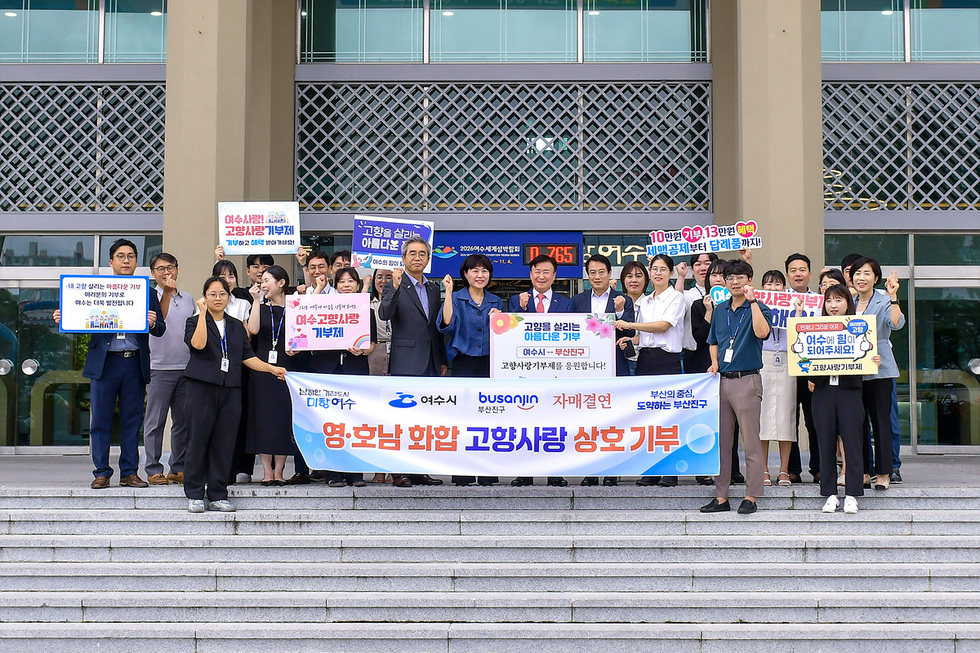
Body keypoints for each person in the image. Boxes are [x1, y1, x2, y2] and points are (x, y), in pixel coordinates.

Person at [53, 238, 165, 489]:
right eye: (121, 256)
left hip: (133, 363)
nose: (126, 261)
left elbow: (160, 330)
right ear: (111, 261)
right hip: (105, 364)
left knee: (132, 420)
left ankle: (129, 472)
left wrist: (153, 322)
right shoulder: (97, 289)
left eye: (131, 256)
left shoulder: (147, 292)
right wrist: (64, 317)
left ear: (137, 262)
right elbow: (82, 322)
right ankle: (101, 472)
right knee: (100, 420)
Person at [182, 277, 287, 513]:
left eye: (222, 294)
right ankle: (195, 494)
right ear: (204, 297)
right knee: (198, 440)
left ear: (228, 297)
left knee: (224, 442)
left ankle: (218, 493)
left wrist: (271, 368)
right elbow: (197, 345)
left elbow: (247, 357)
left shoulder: (236, 325)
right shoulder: (194, 321)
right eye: (212, 294)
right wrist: (201, 313)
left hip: (230, 390)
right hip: (201, 388)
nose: (217, 298)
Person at [700, 259, 772, 515]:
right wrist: (713, 363)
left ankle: (751, 495)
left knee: (751, 441)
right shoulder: (720, 310)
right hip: (723, 381)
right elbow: (713, 340)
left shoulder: (760, 307)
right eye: (730, 278)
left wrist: (752, 303)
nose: (734, 282)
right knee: (723, 442)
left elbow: (762, 333)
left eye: (740, 277)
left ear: (749, 280)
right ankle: (721, 497)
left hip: (747, 380)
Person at [378, 236, 447, 488]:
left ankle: (421, 470)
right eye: (412, 253)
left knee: (425, 421)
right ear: (404, 258)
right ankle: (399, 471)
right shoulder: (393, 283)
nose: (417, 257)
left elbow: (435, 328)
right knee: (402, 420)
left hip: (430, 362)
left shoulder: (433, 287)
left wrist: (442, 359)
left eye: (422, 253)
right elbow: (385, 314)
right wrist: (394, 288)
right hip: (405, 362)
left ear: (428, 258)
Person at [615, 254, 685, 487]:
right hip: (645, 359)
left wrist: (631, 326)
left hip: (667, 361)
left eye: (663, 269)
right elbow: (643, 337)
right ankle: (652, 470)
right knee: (648, 418)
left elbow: (663, 327)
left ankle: (671, 471)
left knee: (669, 417)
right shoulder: (644, 302)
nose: (658, 273)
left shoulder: (676, 298)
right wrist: (629, 339)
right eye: (654, 269)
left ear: (671, 273)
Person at [507, 253, 574, 488]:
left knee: (555, 424)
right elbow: (512, 335)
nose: (541, 276)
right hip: (526, 373)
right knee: (526, 424)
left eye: (547, 271)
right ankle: (525, 472)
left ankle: (555, 472)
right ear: (530, 274)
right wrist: (523, 309)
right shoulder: (517, 300)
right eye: (537, 271)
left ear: (555, 276)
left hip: (556, 373)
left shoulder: (566, 303)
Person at [809, 284, 875, 514]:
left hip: (850, 391)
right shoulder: (815, 328)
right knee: (825, 443)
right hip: (823, 391)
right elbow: (803, 358)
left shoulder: (860, 328)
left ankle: (853, 494)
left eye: (838, 300)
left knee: (853, 443)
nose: (833, 305)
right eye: (829, 300)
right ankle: (829, 493)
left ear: (848, 302)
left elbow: (866, 358)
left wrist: (871, 358)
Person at [439, 254, 504, 487]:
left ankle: (487, 474)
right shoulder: (456, 298)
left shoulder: (496, 301)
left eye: (484, 271)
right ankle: (462, 474)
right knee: (463, 420)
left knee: (488, 419)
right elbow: (447, 325)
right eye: (474, 270)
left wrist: (501, 320)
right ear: (465, 274)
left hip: (489, 364)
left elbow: (506, 334)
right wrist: (447, 292)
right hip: (463, 363)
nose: (480, 275)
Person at [308, 267, 375, 488]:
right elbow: (308, 312)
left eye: (351, 281)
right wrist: (318, 287)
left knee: (355, 422)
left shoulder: (366, 309)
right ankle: (333, 471)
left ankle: (355, 472)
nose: (346, 285)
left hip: (355, 370)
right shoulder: (327, 305)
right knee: (330, 422)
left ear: (358, 284)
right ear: (336, 286)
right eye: (341, 281)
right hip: (329, 370)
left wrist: (361, 350)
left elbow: (371, 344)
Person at [851, 256, 905, 490]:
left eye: (866, 273)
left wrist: (893, 297)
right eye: (857, 273)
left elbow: (896, 323)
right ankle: (864, 470)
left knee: (881, 422)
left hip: (879, 370)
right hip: (852, 371)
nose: (861, 278)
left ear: (876, 278)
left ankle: (884, 473)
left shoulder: (883, 301)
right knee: (857, 423)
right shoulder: (848, 301)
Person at [245, 265, 301, 486]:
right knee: (263, 419)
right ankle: (267, 472)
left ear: (281, 283)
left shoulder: (295, 307)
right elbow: (254, 329)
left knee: (283, 418)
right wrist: (256, 301)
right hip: (262, 369)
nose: (263, 284)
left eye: (267, 280)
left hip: (288, 368)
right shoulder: (261, 305)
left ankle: (280, 471)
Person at [143, 253, 194, 485]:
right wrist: (165, 292)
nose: (167, 272)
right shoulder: (147, 297)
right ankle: (153, 468)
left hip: (186, 367)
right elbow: (159, 322)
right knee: (156, 422)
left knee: (182, 422)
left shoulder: (188, 299)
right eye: (161, 268)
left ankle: (178, 467)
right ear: (153, 273)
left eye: (171, 267)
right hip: (158, 367)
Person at [757, 270, 797, 488]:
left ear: (785, 287)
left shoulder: (794, 305)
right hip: (763, 359)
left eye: (777, 284)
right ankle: (763, 468)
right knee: (762, 417)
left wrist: (798, 313)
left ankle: (784, 469)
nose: (773, 289)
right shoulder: (757, 305)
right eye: (768, 284)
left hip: (788, 359)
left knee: (785, 416)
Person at [784, 252, 818, 484]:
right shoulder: (776, 299)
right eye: (793, 270)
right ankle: (792, 469)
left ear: (810, 274)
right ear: (787, 275)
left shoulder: (821, 300)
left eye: (802, 269)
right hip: (784, 366)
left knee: (815, 420)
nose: (798, 273)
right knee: (788, 419)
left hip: (813, 367)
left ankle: (818, 467)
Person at [674, 252, 719, 373]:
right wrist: (681, 276)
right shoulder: (689, 294)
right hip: (694, 352)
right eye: (698, 264)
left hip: (721, 351)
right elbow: (676, 304)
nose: (703, 268)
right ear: (692, 270)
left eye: (708, 263)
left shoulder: (725, 294)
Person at [619, 261, 649, 375]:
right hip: (621, 360)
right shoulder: (615, 303)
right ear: (623, 280)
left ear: (646, 280)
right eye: (629, 276)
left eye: (639, 276)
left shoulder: (652, 303)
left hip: (646, 360)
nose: (634, 280)